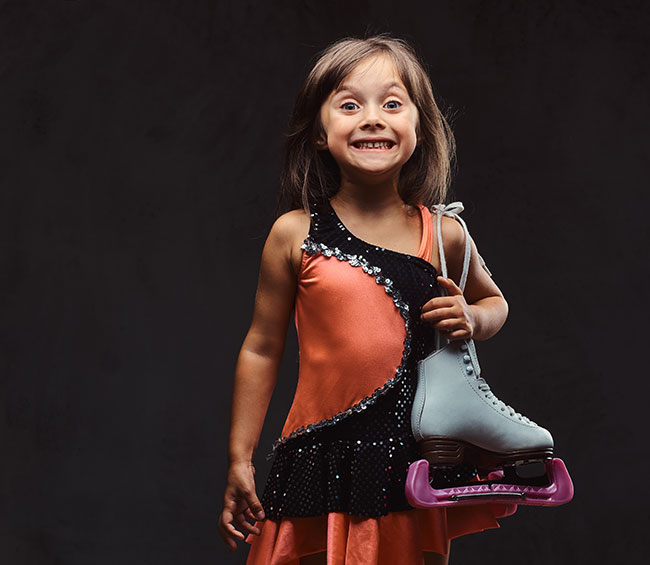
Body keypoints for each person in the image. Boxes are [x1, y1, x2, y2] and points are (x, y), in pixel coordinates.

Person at [218, 34, 515, 565]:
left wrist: (472, 316)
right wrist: (240, 457)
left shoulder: (444, 234)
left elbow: (496, 304)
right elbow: (262, 347)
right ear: (319, 132)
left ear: (419, 127)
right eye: (350, 105)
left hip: (408, 456)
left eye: (392, 104)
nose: (373, 119)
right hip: (317, 453)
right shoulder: (294, 234)